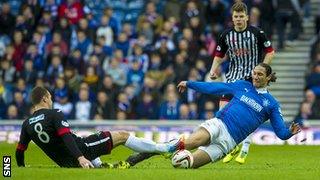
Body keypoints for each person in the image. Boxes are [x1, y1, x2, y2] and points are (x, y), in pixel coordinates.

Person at [124, 63, 300, 169]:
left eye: (260, 74)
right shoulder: (242, 86)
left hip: (228, 143)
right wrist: (190, 84)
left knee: (187, 164)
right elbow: (214, 88)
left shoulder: (272, 104)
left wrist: (290, 131)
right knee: (191, 142)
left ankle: (159, 150)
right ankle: (147, 152)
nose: (255, 76)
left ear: (268, 77)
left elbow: (281, 133)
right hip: (219, 124)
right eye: (254, 73)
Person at [15, 86, 178, 168]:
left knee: (90, 143)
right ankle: (163, 148)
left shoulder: (26, 124)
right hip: (81, 151)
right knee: (122, 135)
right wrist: (80, 157)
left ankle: (101, 167)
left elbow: (19, 151)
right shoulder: (54, 114)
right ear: (44, 99)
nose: (51, 101)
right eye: (50, 98)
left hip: (65, 163)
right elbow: (66, 137)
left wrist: (20, 168)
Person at [208, 2, 275, 164]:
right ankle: (233, 147)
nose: (238, 19)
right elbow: (219, 54)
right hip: (231, 79)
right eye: (235, 17)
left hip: (250, 80)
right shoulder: (226, 35)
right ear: (232, 18)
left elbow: (270, 52)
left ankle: (244, 148)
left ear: (247, 17)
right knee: (222, 115)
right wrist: (213, 69)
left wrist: (263, 69)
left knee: (245, 117)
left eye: (241, 16)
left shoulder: (257, 33)